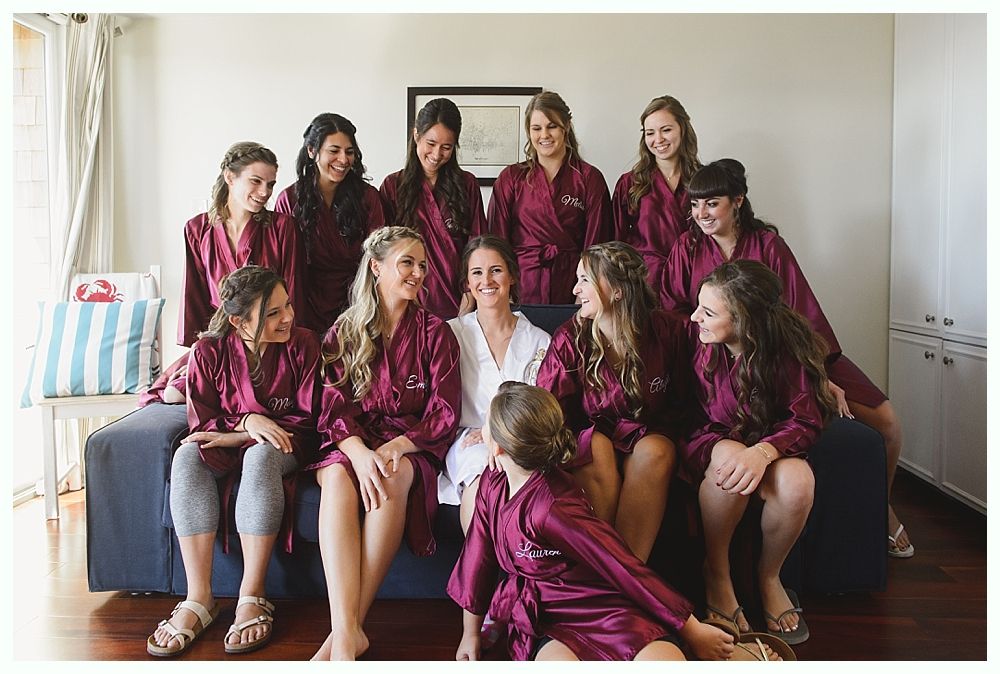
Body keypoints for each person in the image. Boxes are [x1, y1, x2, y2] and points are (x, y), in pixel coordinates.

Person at [664, 158, 913, 559]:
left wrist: (816, 373)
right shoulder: (686, 247)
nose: (701, 215)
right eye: (695, 206)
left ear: (738, 201)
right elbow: (675, 309)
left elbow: (799, 312)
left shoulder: (768, 245)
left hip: (790, 349)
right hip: (715, 351)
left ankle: (878, 506)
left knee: (887, 421)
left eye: (711, 204)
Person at [447, 382, 746, 662]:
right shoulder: (491, 481)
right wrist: (469, 634)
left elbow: (621, 565)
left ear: (497, 446)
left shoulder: (554, 508)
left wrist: (691, 630)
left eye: (486, 422)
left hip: (601, 605)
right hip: (548, 616)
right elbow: (477, 557)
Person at [146, 266, 321, 657]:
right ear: (238, 321)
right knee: (188, 455)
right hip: (231, 436)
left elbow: (308, 418)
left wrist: (246, 431)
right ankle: (200, 597)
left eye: (287, 304)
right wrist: (245, 422)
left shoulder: (304, 344)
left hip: (288, 441)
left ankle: (252, 593)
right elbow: (202, 421)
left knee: (260, 456)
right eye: (273, 313)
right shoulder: (209, 351)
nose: (288, 317)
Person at [305, 226, 461, 660]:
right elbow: (332, 407)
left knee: (390, 475)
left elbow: (443, 413)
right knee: (335, 477)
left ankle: (346, 634)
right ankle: (346, 630)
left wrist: (395, 448)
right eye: (407, 262)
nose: (418, 273)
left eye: (423, 265)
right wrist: (356, 451)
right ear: (376, 266)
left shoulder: (436, 333)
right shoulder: (344, 331)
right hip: (353, 440)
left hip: (409, 446)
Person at [683, 259, 836, 645]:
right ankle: (716, 572)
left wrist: (766, 451)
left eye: (709, 311)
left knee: (799, 481)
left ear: (745, 321)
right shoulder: (695, 342)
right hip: (708, 440)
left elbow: (806, 419)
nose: (694, 316)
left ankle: (769, 576)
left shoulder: (788, 350)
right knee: (733, 457)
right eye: (699, 305)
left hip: (771, 444)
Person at [535, 242, 691, 562]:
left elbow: (696, 387)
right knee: (597, 446)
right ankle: (607, 569)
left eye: (584, 280)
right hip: (592, 440)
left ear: (617, 290)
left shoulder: (669, 331)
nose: (575, 289)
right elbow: (550, 407)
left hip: (649, 435)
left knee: (657, 449)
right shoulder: (570, 337)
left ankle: (627, 574)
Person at [439, 234, 551, 532]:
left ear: (512, 275)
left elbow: (543, 408)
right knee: (483, 478)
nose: (486, 280)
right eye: (476, 272)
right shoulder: (449, 335)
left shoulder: (540, 340)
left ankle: (523, 574)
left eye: (496, 270)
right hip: (470, 440)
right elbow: (438, 405)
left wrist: (501, 434)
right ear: (466, 282)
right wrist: (486, 436)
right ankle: (475, 575)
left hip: (522, 440)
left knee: (524, 478)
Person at [488, 91, 612, 304]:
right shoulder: (511, 178)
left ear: (566, 126)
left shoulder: (589, 178)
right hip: (521, 286)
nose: (544, 135)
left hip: (573, 286)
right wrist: (503, 291)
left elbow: (598, 244)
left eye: (552, 126)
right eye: (536, 128)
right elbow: (497, 241)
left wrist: (586, 290)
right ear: (529, 132)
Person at [179, 141, 303, 347]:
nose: (265, 192)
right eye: (256, 181)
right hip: (219, 344)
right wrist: (198, 352)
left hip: (271, 341)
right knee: (169, 380)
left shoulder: (282, 227)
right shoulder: (197, 229)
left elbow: (293, 292)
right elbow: (193, 298)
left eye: (270, 184)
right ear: (230, 177)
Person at [275, 113, 387, 334]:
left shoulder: (368, 197)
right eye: (334, 151)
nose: (343, 160)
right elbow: (282, 266)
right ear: (312, 151)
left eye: (349, 152)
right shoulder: (289, 200)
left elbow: (380, 257)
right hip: (304, 305)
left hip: (358, 304)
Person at [380, 98, 486, 319]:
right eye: (431, 143)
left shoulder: (467, 185)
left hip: (461, 302)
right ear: (416, 135)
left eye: (446, 147)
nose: (437, 154)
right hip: (409, 299)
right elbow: (387, 254)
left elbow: (478, 247)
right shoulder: (392, 187)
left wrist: (469, 298)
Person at [611, 95, 701, 305]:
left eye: (666, 130)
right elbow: (615, 243)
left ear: (683, 129)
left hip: (694, 280)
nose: (658, 139)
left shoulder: (702, 182)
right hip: (644, 284)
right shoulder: (630, 183)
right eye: (650, 133)